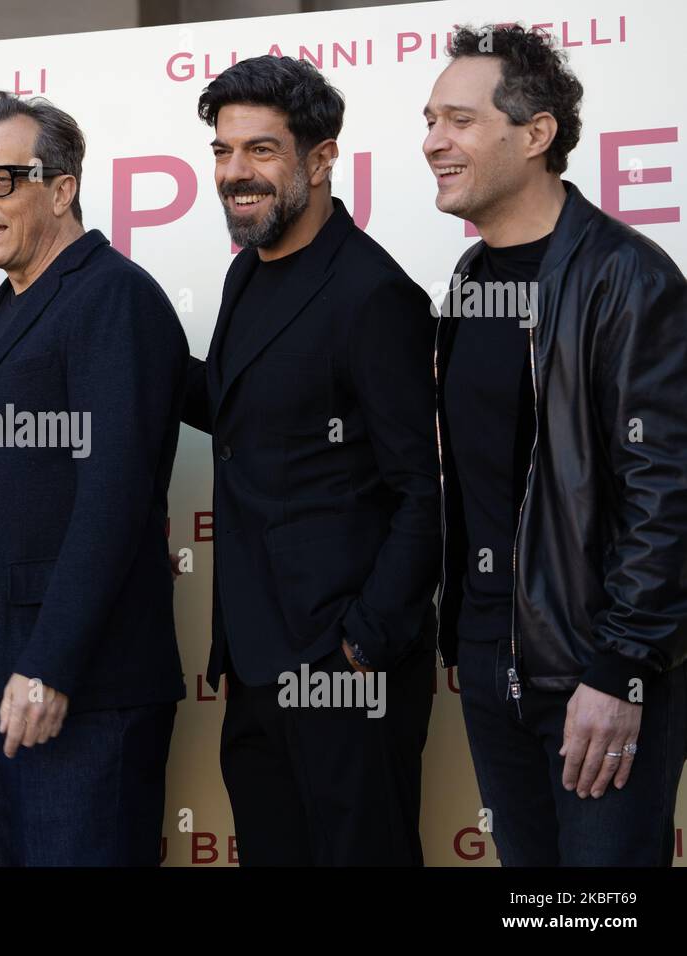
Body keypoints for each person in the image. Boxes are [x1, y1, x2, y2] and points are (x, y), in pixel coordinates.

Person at [426, 24, 687, 866]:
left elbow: (667, 490)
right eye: (429, 120)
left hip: (597, 666)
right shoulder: (467, 283)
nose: (433, 142)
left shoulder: (629, 279)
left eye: (459, 121)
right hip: (491, 657)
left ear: (535, 134)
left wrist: (621, 668)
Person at [182, 57, 441, 865]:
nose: (235, 174)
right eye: (224, 152)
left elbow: (423, 493)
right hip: (256, 661)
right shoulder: (244, 274)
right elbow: (234, 411)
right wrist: (123, 346)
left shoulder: (372, 293)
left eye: (261, 150)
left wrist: (361, 644)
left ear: (322, 158)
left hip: (343, 667)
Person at [0, 91, 189, 866]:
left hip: (76, 691)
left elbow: (112, 498)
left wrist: (48, 664)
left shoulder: (113, 295)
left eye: (2, 180)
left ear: (63, 187)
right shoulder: (9, 301)